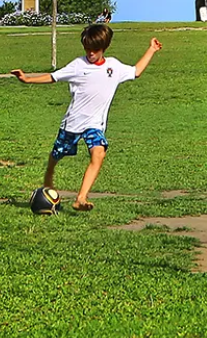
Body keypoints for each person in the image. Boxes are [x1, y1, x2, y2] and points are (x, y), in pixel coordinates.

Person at [10, 23, 160, 211]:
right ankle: (48, 176)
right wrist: (27, 79)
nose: (90, 53)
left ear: (104, 48)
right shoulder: (78, 65)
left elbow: (136, 72)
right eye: (87, 49)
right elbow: (53, 77)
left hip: (94, 125)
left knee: (99, 153)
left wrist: (151, 49)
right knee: (56, 155)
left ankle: (81, 198)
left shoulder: (113, 66)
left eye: (95, 49)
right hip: (73, 123)